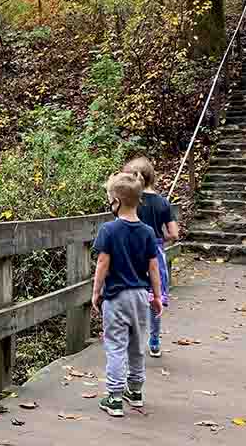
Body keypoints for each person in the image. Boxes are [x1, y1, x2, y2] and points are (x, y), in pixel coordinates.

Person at [92, 172, 162, 418]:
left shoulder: (108, 230)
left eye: (110, 199)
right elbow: (153, 266)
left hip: (116, 297)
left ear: (117, 201)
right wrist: (157, 295)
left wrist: (96, 291)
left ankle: (114, 397)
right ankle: (136, 391)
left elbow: (103, 263)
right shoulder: (147, 232)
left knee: (115, 346)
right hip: (141, 297)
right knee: (137, 346)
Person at [124, 157, 179, 358]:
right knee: (154, 297)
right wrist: (161, 239)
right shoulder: (163, 203)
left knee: (131, 293)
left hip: (131, 253)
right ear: (151, 177)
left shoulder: (130, 201)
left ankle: (131, 339)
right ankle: (154, 340)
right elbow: (174, 234)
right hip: (154, 253)